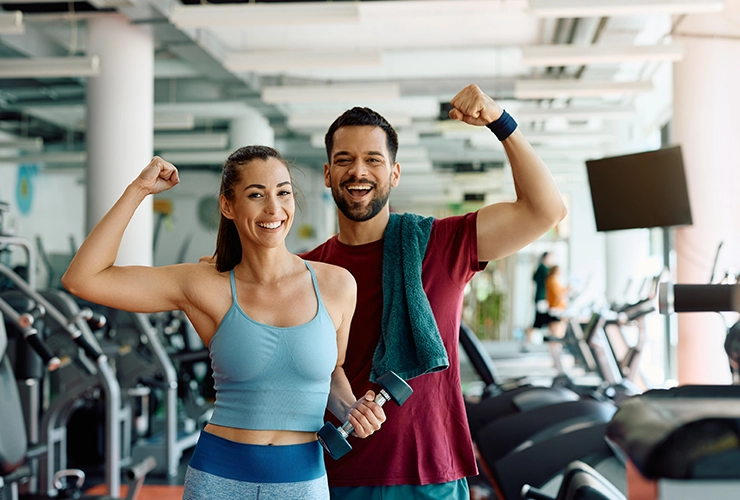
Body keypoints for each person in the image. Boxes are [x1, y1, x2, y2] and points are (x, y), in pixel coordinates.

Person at [62, 146, 386, 500]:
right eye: (256, 194)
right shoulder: (203, 285)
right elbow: (84, 279)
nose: (274, 208)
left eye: (283, 192)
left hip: (302, 479)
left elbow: (332, 370)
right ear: (227, 205)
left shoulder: (337, 284)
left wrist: (350, 407)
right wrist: (137, 190)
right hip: (219, 477)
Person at [300, 83, 567, 499]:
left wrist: (501, 121)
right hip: (336, 473)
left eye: (373, 159)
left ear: (394, 173)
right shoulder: (306, 270)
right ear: (328, 173)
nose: (358, 172)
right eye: (344, 160)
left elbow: (546, 210)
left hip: (431, 475)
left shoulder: (441, 243)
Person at [523, 251, 554, 351]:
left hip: (540, 298)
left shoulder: (540, 268)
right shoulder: (544, 269)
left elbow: (534, 278)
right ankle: (553, 347)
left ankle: (527, 343)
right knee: (542, 323)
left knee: (539, 323)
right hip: (542, 299)